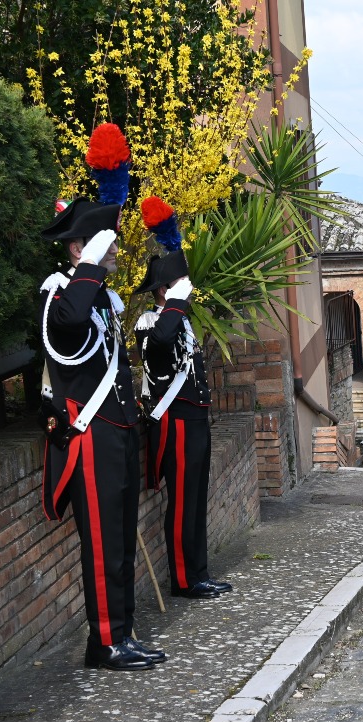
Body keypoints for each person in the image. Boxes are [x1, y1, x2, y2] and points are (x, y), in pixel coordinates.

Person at [39, 198, 165, 671]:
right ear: (77, 249)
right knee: (101, 541)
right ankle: (105, 641)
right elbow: (69, 329)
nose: (114, 250)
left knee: (121, 539)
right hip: (90, 436)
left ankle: (122, 632)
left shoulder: (104, 297)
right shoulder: (58, 293)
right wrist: (90, 260)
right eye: (103, 243)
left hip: (118, 431)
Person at [134, 240, 232, 599]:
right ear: (164, 290)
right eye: (180, 283)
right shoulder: (151, 324)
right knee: (181, 502)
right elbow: (160, 348)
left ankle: (199, 572)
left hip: (194, 420)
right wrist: (175, 302)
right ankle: (183, 578)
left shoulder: (180, 320)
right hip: (174, 421)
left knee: (195, 498)